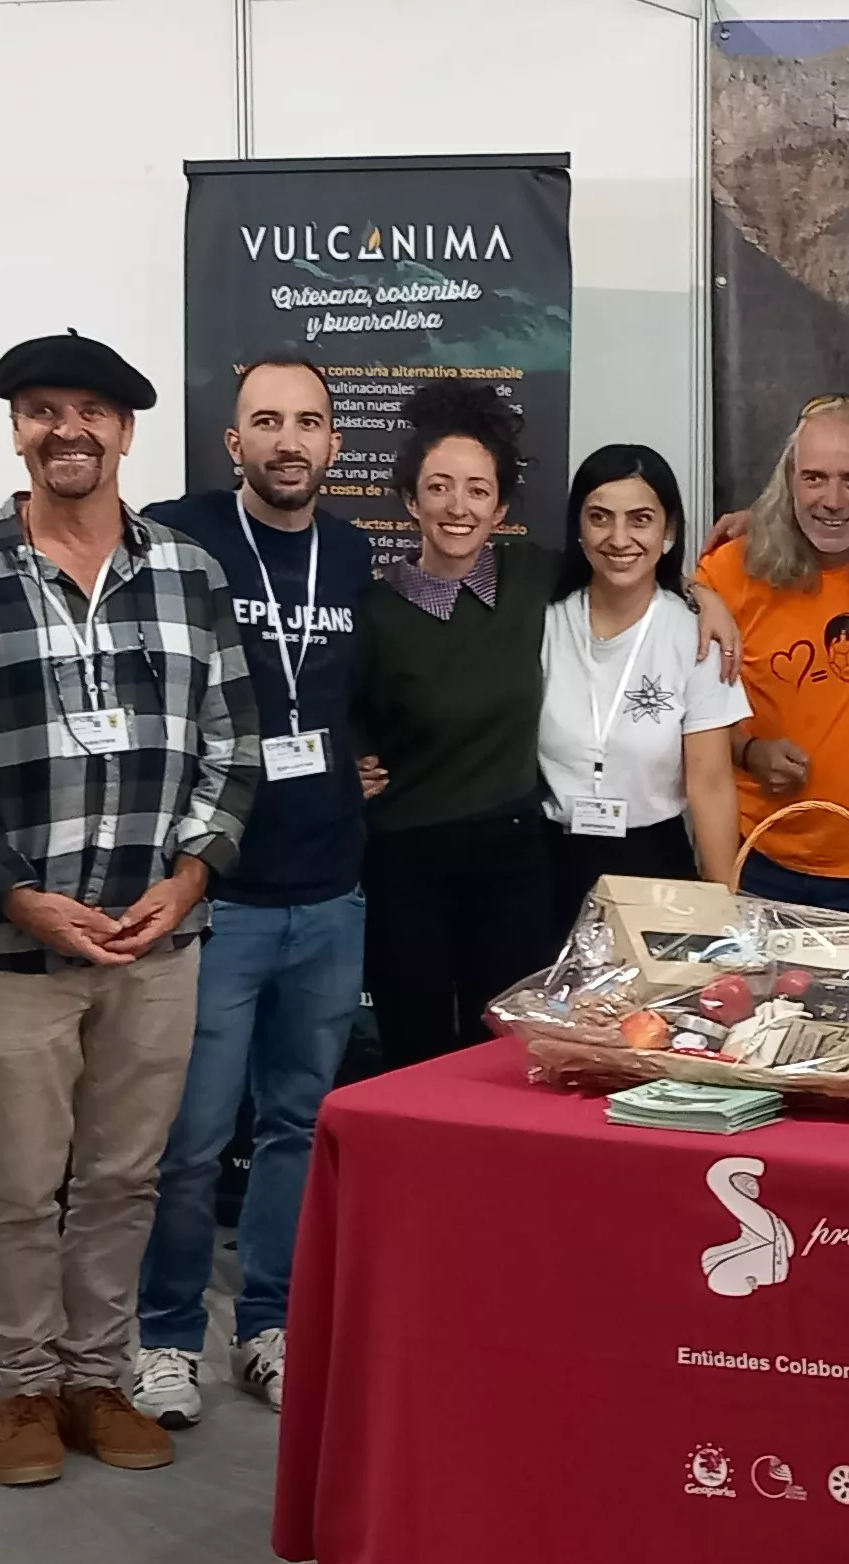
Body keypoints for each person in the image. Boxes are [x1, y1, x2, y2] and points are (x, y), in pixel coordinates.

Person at [0, 330, 255, 1489]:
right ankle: (22, 1388)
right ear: (16, 430)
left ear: (125, 431)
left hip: (159, 939)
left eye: (91, 411)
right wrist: (19, 896)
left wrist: (191, 876)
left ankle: (98, 1377)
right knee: (14, 1186)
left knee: (122, 1178)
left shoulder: (190, 573)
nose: (68, 429)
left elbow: (232, 745)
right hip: (14, 945)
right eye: (43, 409)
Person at [125, 359, 375, 1427]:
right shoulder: (175, 535)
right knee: (188, 1141)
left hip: (330, 892)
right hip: (216, 894)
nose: (288, 440)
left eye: (308, 422)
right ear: (234, 442)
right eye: (266, 421)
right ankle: (167, 1335)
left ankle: (268, 1324)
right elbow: (53, 542)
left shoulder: (353, 553)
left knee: (295, 1127)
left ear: (333, 445)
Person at [349, 379, 555, 1066]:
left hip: (513, 857)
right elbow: (344, 712)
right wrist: (351, 761)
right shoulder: (374, 611)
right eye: (439, 488)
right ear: (412, 501)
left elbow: (636, 571)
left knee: (506, 1057)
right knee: (415, 1050)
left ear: (501, 508)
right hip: (407, 862)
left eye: (477, 490)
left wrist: (706, 595)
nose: (457, 506)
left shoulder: (534, 578)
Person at [703, 396, 849, 911]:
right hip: (753, 853)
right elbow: (684, 710)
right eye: (814, 478)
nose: (832, 499)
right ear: (789, 480)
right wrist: (748, 750)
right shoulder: (728, 572)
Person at [540, 441, 745, 924]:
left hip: (654, 865)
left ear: (668, 530)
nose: (619, 538)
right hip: (545, 864)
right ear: (577, 526)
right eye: (599, 518)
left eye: (640, 519)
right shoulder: (542, 618)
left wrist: (725, 913)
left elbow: (712, 786)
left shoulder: (696, 637)